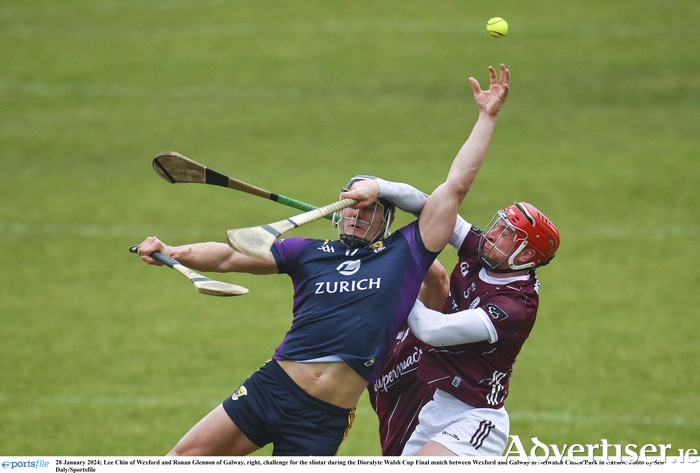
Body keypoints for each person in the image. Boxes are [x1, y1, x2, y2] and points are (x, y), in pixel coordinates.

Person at [135, 63, 510, 456]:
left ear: (388, 217)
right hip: (272, 389)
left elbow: (455, 187)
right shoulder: (310, 252)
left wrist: (487, 116)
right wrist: (175, 252)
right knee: (183, 458)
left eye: (367, 208)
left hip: (324, 417)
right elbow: (230, 255)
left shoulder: (407, 252)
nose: (356, 213)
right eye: (349, 206)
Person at [368, 176, 560, 456]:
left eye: (506, 234)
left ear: (525, 255)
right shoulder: (483, 252)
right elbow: (432, 208)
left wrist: (394, 277)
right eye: (499, 225)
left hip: (476, 418)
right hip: (437, 409)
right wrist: (379, 187)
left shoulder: (514, 305)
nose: (493, 234)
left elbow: (433, 330)